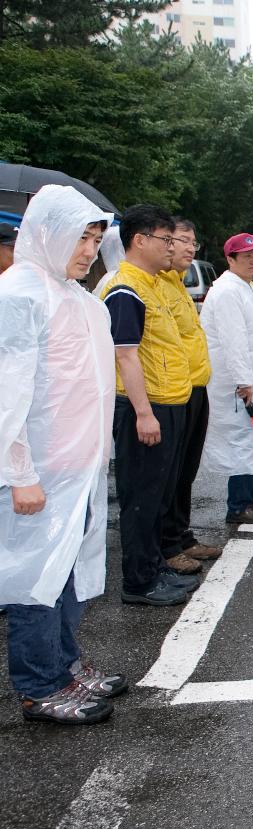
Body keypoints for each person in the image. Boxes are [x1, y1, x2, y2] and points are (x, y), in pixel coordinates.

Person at [0, 185, 126, 724]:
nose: (89, 251)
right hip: (39, 475)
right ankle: (39, 686)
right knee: (34, 582)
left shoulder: (77, 297)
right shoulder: (19, 296)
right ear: (47, 234)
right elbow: (7, 394)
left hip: (78, 471)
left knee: (69, 577)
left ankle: (65, 665)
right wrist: (18, 471)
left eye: (96, 240)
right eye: (80, 238)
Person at [100, 205, 200, 606]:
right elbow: (125, 355)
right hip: (147, 407)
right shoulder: (126, 288)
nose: (172, 246)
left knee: (158, 495)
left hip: (169, 401)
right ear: (139, 240)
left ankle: (155, 567)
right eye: (165, 239)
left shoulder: (154, 283)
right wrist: (143, 413)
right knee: (141, 499)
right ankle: (138, 582)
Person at [157, 219, 223, 571]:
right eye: (182, 240)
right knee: (168, 474)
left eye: (192, 242)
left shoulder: (178, 284)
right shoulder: (154, 284)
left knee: (185, 472)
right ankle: (166, 546)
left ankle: (181, 536)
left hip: (194, 387)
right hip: (172, 393)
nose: (189, 248)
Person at [202, 233, 253, 526]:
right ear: (230, 259)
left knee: (252, 439)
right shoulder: (228, 291)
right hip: (235, 382)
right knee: (241, 441)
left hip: (249, 376)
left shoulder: (243, 286)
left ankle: (251, 496)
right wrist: (243, 381)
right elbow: (234, 340)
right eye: (248, 256)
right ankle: (239, 505)